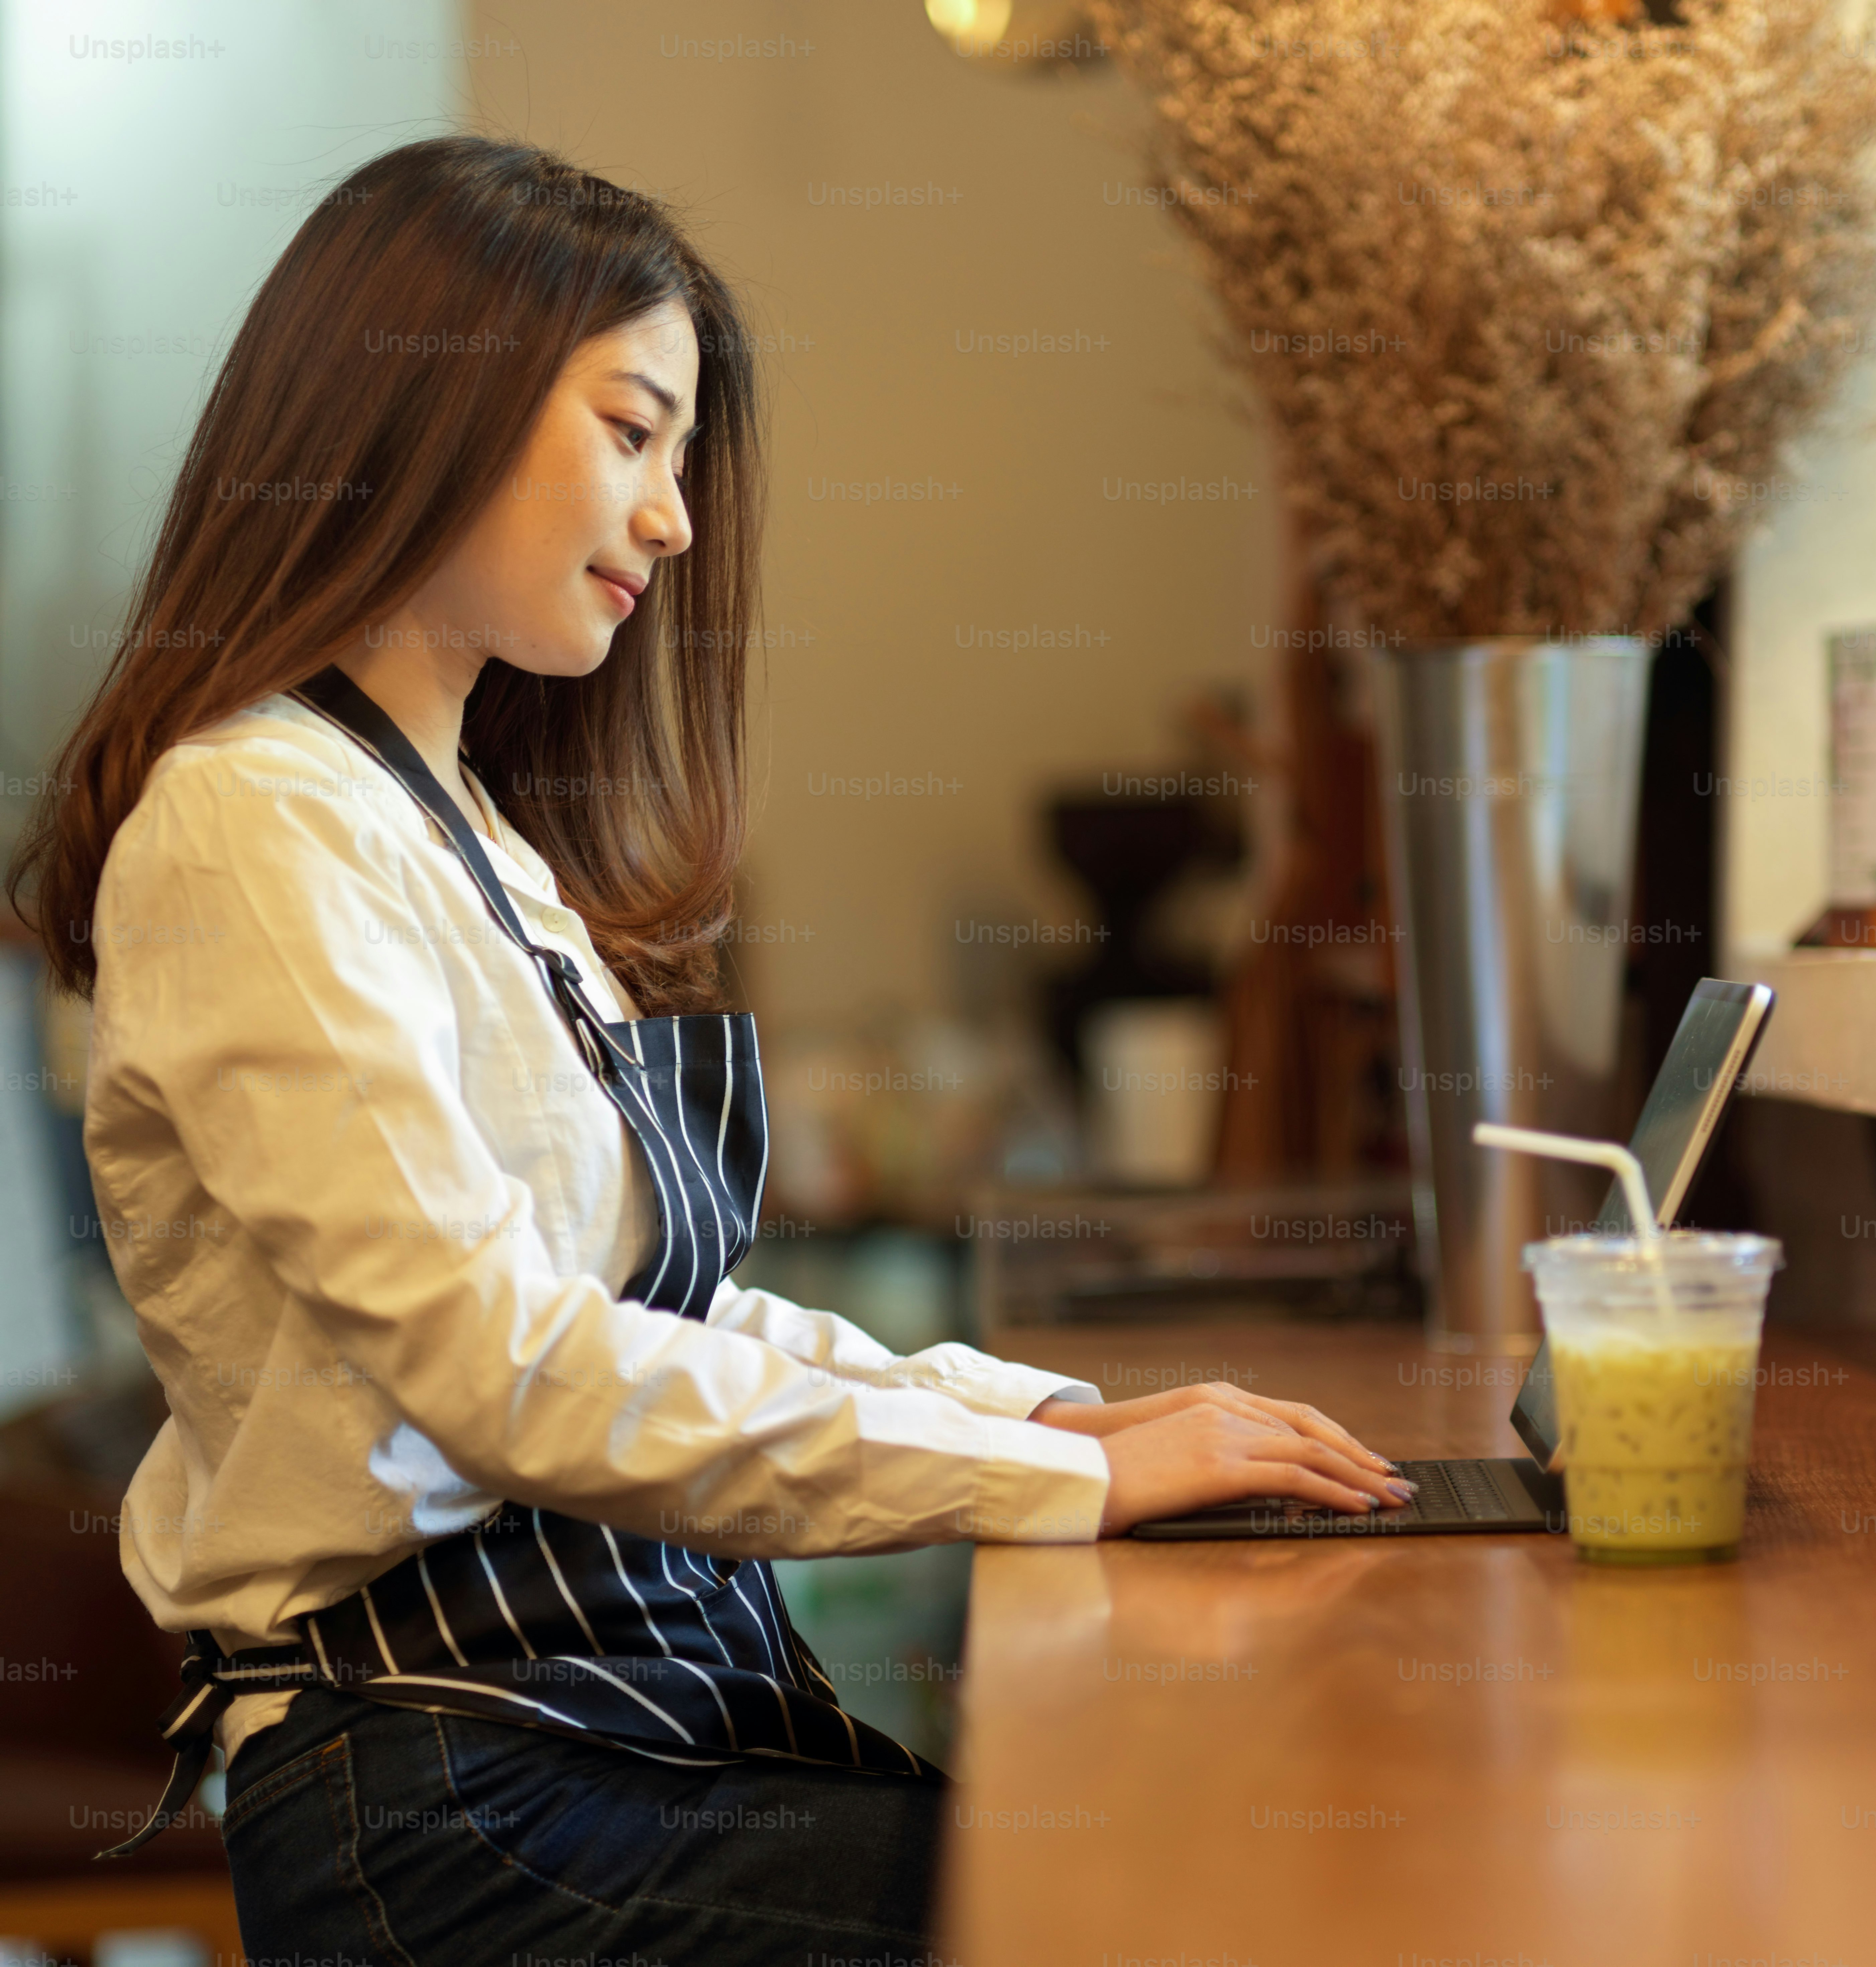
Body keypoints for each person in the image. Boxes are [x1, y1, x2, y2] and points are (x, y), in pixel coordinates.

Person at [6, 135, 1411, 1965]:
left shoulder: (463, 836)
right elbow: (505, 1372)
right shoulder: (254, 822)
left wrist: (1045, 1414)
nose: (672, 515)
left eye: (678, 452)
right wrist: (1059, 1481)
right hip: (456, 1808)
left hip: (589, 1738)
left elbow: (644, 1318)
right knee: (1144, 1906)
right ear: (424, 399)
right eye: (630, 429)